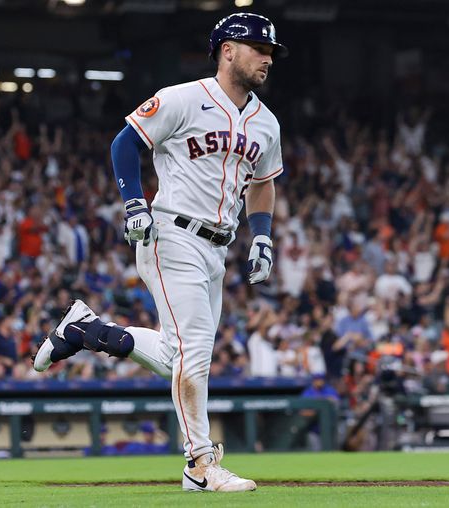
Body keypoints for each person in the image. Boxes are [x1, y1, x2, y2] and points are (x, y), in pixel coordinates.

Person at [33, 12, 287, 492]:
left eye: (271, 52)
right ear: (227, 50)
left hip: (218, 245)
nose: (267, 57)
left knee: (180, 353)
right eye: (258, 48)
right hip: (171, 233)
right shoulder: (184, 98)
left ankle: (88, 330)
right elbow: (124, 143)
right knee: (196, 355)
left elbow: (263, 184)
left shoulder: (266, 122)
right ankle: (199, 464)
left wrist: (263, 235)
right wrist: (134, 201)